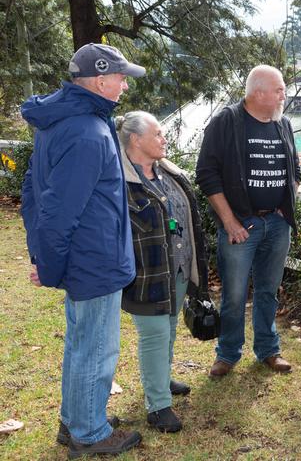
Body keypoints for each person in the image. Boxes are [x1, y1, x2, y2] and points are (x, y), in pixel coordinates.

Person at [20, 43, 145, 458]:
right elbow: (56, 211)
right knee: (95, 347)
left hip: (85, 257)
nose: (126, 84)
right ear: (101, 79)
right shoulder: (89, 132)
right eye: (122, 76)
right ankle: (89, 432)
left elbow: (33, 192)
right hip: (93, 260)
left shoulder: (63, 122)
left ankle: (75, 418)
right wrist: (48, 265)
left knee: (81, 343)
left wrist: (42, 256)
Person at [196, 65, 301, 377]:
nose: (284, 94)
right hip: (241, 226)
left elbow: (294, 170)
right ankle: (227, 354)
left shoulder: (282, 123)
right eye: (279, 89)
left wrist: (285, 207)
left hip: (277, 225)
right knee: (234, 295)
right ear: (259, 93)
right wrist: (229, 221)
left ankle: (268, 350)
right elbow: (207, 173)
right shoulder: (227, 121)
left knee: (269, 291)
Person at [117, 111, 210, 433]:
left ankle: (161, 377)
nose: (164, 138)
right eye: (157, 134)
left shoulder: (167, 172)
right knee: (155, 335)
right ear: (135, 140)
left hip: (179, 270)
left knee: (169, 329)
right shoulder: (119, 181)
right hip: (146, 275)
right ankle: (157, 407)